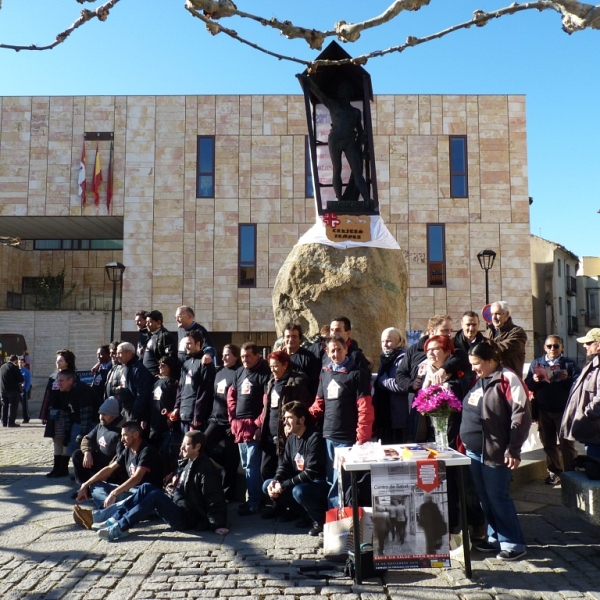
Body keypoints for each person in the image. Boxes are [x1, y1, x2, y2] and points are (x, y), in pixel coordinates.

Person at [460, 342, 531, 561]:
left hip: (496, 451)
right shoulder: (481, 378)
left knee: (498, 497)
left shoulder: (508, 378)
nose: (473, 368)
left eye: (477, 363)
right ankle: (495, 537)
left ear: (491, 360)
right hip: (475, 450)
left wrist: (513, 449)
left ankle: (514, 543)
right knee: (484, 498)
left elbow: (520, 415)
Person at [92, 430, 228, 541]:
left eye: (186, 445)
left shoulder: (206, 470)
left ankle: (121, 528)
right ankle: (116, 518)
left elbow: (214, 497)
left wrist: (217, 525)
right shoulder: (189, 461)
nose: (181, 448)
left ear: (197, 447)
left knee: (154, 496)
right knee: (146, 487)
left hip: (186, 518)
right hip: (178, 504)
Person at [309, 335, 374, 508]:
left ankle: (339, 521)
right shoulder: (325, 372)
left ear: (346, 349)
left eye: (339, 349)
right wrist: (302, 418)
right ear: (327, 352)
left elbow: (365, 407)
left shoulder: (357, 374)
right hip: (328, 434)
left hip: (347, 437)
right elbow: (319, 403)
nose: (336, 353)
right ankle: (335, 519)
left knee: (341, 481)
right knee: (332, 479)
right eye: (332, 350)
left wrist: (362, 436)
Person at [297, 73, 372, 207]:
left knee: (357, 171)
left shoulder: (355, 112)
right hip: (335, 139)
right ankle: (340, 199)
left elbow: (360, 130)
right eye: (340, 89)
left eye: (344, 89)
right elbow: (320, 95)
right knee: (336, 169)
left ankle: (366, 199)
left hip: (349, 140)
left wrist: (362, 139)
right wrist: (307, 80)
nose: (341, 91)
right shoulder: (333, 105)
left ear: (349, 93)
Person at [73, 421, 163, 528]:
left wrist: (113, 493)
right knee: (95, 485)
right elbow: (110, 468)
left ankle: (95, 517)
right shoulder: (128, 450)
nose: (122, 439)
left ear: (135, 435)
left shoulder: (147, 451)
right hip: (130, 491)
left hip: (145, 495)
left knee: (125, 501)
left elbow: (136, 478)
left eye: (124, 435)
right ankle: (107, 509)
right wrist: (86, 484)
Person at [395, 314, 469, 441]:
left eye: (451, 331)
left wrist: (443, 369)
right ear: (432, 331)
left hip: (447, 416)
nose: (449, 334)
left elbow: (460, 357)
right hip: (420, 410)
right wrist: (413, 385)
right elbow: (400, 374)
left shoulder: (454, 349)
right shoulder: (414, 350)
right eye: (444, 330)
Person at [263, 401, 328, 535]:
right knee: (267, 485)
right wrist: (276, 480)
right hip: (300, 483)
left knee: (298, 491)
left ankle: (320, 522)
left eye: (289, 418)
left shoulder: (314, 437)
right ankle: (304, 515)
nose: (285, 422)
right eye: (284, 418)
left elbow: (310, 472)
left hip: (317, 484)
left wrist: (284, 484)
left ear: (302, 419)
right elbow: (285, 465)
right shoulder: (292, 438)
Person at [525, 335, 580, 485]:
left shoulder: (569, 364)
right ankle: (555, 472)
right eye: (549, 346)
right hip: (543, 409)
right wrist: (534, 381)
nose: (552, 349)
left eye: (556, 346)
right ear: (544, 348)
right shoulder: (537, 363)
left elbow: (578, 385)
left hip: (563, 410)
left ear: (562, 347)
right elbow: (528, 385)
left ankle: (570, 474)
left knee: (566, 444)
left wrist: (567, 379)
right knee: (548, 443)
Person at [258, 351, 312, 495]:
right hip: (269, 435)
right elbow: (267, 408)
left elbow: (303, 408)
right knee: (265, 469)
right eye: (271, 366)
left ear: (285, 365)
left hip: (286, 436)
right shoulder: (271, 383)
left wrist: (293, 427)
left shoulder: (296, 384)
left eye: (276, 366)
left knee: (282, 471)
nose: (273, 370)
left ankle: (284, 507)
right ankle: (273, 501)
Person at [227, 341, 271, 516]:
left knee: (252, 466)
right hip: (240, 426)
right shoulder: (239, 372)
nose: (245, 359)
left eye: (248, 356)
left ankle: (254, 501)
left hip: (254, 427)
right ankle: (253, 498)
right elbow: (231, 397)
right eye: (243, 356)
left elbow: (266, 403)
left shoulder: (264, 373)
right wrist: (232, 420)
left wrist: (259, 424)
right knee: (245, 465)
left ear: (257, 355)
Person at [205, 344, 242, 502]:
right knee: (203, 443)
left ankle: (228, 495)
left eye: (228, 355)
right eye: (223, 354)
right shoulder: (219, 371)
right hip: (216, 419)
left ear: (236, 357)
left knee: (232, 460)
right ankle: (224, 460)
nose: (224, 357)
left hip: (231, 422)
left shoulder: (238, 373)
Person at [561, 328, 600, 460]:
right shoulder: (593, 363)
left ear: (598, 345)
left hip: (595, 431)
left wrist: (586, 414)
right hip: (592, 431)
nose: (584, 346)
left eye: (588, 343)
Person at [71, 396, 124, 491]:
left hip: (112, 468)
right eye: (100, 414)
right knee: (77, 455)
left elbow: (120, 457)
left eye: (104, 414)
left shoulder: (121, 431)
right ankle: (84, 488)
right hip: (98, 460)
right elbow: (87, 438)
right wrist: (87, 452)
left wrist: (107, 472)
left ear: (113, 416)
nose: (101, 417)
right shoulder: (101, 425)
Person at [39, 349, 78, 477]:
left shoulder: (72, 376)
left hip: (66, 412)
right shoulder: (52, 377)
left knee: (64, 438)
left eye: (61, 360)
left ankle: (63, 468)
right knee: (56, 439)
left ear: (68, 362)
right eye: (57, 361)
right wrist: (44, 414)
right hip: (53, 412)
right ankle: (56, 468)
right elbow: (47, 396)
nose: (58, 363)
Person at [173, 330, 215, 434]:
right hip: (183, 414)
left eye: (189, 344)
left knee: (195, 448)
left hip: (197, 418)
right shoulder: (186, 364)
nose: (186, 346)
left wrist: (198, 415)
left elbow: (205, 391)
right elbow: (180, 388)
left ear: (198, 344)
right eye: (185, 344)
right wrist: (176, 408)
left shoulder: (205, 363)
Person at [373, 327, 409, 444]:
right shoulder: (385, 358)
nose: (385, 345)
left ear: (398, 341)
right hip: (384, 413)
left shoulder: (403, 358)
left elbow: (402, 385)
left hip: (396, 416)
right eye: (383, 341)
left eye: (389, 341)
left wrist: (382, 381)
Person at [149, 355, 180, 475]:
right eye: (159, 364)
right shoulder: (155, 381)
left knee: (166, 454)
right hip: (153, 422)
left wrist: (171, 417)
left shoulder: (173, 383)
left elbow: (175, 401)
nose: (160, 367)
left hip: (166, 423)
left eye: (164, 365)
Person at [482, 301, 527, 377]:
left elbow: (504, 349)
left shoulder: (517, 332)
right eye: (492, 314)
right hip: (491, 378)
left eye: (497, 314)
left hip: (509, 380)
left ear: (506, 314)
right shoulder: (488, 332)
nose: (494, 317)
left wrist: (486, 347)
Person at [115, 342, 153, 424]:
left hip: (135, 415)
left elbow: (142, 395)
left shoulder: (138, 370)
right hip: (124, 412)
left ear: (129, 353)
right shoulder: (122, 368)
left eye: (120, 353)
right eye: (116, 353)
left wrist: (134, 414)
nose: (117, 356)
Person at [282, 322, 321, 397]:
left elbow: (314, 383)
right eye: (288, 336)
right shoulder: (279, 357)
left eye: (294, 336)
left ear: (300, 339)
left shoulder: (308, 357)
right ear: (283, 338)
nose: (291, 339)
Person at [143, 310, 177, 377]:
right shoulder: (150, 336)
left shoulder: (165, 336)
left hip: (156, 376)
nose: (146, 324)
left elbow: (170, 357)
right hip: (147, 376)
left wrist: (162, 373)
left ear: (158, 322)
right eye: (146, 322)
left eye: (150, 322)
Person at [1, 354, 24, 428]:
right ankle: (11, 422)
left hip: (3, 390)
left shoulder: (2, 367)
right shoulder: (13, 367)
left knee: (4, 406)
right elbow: (21, 379)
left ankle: (4, 422)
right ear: (16, 361)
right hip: (12, 390)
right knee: (13, 406)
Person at [89, 346, 112, 414]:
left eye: (101, 354)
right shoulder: (99, 367)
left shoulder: (111, 368)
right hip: (96, 401)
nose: (98, 356)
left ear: (108, 354)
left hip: (105, 401)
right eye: (97, 354)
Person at [18, 356, 31, 424]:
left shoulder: (26, 371)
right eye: (19, 362)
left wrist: (26, 390)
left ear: (24, 363)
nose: (20, 363)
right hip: (17, 390)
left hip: (23, 390)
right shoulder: (17, 370)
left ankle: (26, 418)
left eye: (22, 362)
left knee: (24, 405)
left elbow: (28, 381)